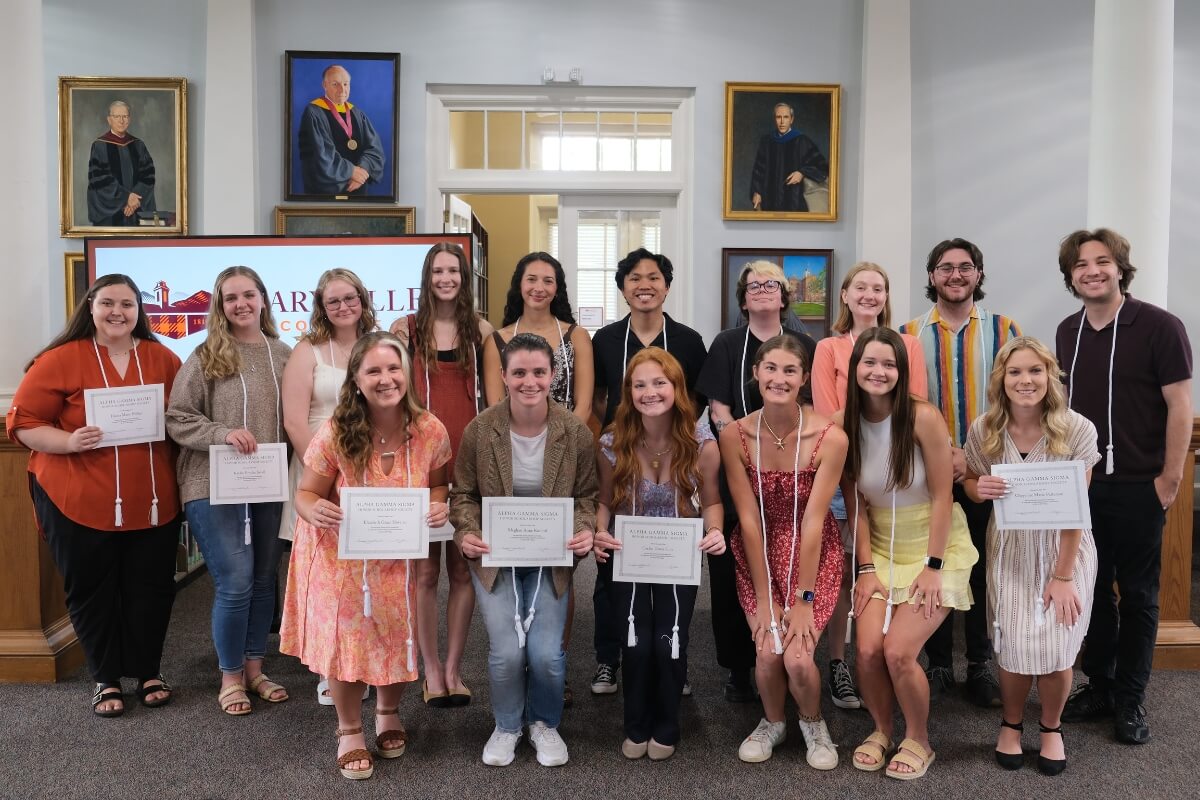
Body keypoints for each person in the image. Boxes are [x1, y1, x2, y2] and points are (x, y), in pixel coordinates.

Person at [6, 274, 181, 717]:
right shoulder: (60, 359)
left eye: (127, 304)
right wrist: (69, 442)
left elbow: (182, 420)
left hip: (152, 497)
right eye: (107, 303)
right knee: (91, 590)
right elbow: (24, 423)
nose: (117, 312)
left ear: (140, 311)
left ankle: (148, 671)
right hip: (76, 495)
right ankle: (105, 678)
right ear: (90, 307)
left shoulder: (164, 359)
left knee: (151, 588)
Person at [280, 332, 452, 780]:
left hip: (399, 555)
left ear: (407, 374)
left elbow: (439, 483)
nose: (385, 378)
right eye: (373, 370)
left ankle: (389, 711)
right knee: (351, 640)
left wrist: (440, 503)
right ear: (356, 379)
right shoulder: (336, 431)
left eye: (393, 368)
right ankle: (350, 728)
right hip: (343, 557)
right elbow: (305, 494)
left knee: (397, 630)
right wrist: (314, 509)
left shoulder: (430, 429)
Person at [1055, 228, 1192, 745]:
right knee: (1092, 590)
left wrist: (1169, 479)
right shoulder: (1068, 331)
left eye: (1102, 261)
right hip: (1084, 485)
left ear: (1120, 268)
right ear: (1070, 276)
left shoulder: (1160, 326)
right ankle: (1102, 685)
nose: (1092, 270)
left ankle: (1131, 699)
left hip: (1140, 485)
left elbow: (1179, 405)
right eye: (1081, 265)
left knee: (1137, 595)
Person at [451, 333, 597, 768]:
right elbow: (463, 495)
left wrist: (584, 529)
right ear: (503, 376)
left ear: (553, 375)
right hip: (497, 558)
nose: (529, 381)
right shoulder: (481, 429)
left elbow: (587, 496)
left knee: (547, 655)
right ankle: (508, 725)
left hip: (552, 558)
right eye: (519, 373)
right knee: (507, 652)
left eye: (538, 372)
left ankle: (544, 724)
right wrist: (467, 534)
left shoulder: (574, 432)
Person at [839, 327, 978, 781]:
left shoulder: (922, 417)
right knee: (866, 652)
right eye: (869, 362)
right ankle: (881, 730)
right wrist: (863, 568)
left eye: (888, 364)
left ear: (901, 371)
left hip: (934, 548)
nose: (878, 372)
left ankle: (918, 738)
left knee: (899, 652)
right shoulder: (846, 424)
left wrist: (933, 569)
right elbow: (856, 504)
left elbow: (943, 496)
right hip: (878, 549)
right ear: (855, 367)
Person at [963, 337, 1100, 776]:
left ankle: (1051, 728)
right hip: (1011, 551)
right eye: (1015, 372)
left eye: (1035, 371)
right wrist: (976, 489)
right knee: (1014, 643)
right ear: (1001, 380)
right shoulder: (984, 428)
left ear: (1050, 377)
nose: (1026, 380)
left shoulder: (1078, 428)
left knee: (1059, 645)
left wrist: (1062, 576)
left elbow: (1076, 511)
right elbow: (969, 478)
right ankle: (1011, 723)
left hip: (1066, 549)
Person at [899, 239, 1022, 707]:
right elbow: (899, 400)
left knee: (981, 566)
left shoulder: (1005, 328)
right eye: (945, 267)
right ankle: (936, 663)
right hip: (924, 468)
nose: (955, 275)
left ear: (978, 274)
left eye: (965, 267)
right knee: (929, 562)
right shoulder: (908, 333)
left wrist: (973, 456)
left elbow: (1020, 394)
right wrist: (944, 452)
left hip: (987, 468)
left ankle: (980, 664)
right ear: (931, 276)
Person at [166, 266, 292, 716]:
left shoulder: (284, 355)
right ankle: (230, 676)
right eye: (230, 297)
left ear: (263, 299)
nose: (240, 304)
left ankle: (256, 669)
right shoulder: (205, 356)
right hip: (212, 483)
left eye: (248, 295)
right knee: (235, 582)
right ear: (219, 306)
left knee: (263, 580)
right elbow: (178, 417)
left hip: (268, 483)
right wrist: (222, 433)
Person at [592, 348, 725, 760]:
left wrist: (716, 530)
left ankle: (667, 724)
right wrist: (598, 532)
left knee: (671, 640)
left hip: (678, 557)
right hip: (627, 554)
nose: (650, 392)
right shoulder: (612, 443)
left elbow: (713, 500)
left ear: (677, 388)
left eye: (659, 383)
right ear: (628, 391)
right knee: (635, 641)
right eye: (640, 384)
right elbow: (604, 500)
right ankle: (636, 724)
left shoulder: (702, 444)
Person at [719, 335, 845, 768]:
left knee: (797, 657)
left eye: (790, 370)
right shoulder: (734, 435)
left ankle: (812, 721)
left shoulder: (830, 437)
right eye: (770, 368)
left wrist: (803, 599)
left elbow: (812, 521)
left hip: (815, 551)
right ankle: (773, 721)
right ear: (756, 373)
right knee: (768, 649)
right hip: (758, 551)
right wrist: (767, 597)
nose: (779, 378)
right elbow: (749, 520)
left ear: (804, 377)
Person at [695, 260, 816, 703]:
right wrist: (748, 449)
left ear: (785, 296)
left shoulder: (807, 344)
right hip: (739, 465)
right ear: (743, 298)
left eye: (772, 284)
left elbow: (815, 407)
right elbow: (718, 408)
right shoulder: (727, 344)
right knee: (733, 567)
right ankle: (738, 667)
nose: (763, 290)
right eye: (754, 285)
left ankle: (789, 648)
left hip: (793, 470)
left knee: (786, 559)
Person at [809, 261, 928, 711]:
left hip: (895, 470)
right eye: (860, 287)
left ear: (886, 296)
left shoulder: (908, 344)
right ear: (844, 294)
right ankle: (841, 662)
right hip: (844, 468)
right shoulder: (827, 348)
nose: (869, 295)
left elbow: (912, 404)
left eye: (878, 288)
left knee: (893, 559)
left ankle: (893, 654)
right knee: (844, 570)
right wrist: (850, 467)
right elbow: (827, 416)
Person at [589, 248, 708, 696]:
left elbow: (692, 401)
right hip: (621, 456)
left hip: (672, 457)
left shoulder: (688, 339)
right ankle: (608, 657)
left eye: (654, 277)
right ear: (623, 288)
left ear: (667, 285)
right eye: (634, 277)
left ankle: (675, 658)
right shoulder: (603, 339)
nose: (644, 284)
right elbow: (599, 399)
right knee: (612, 566)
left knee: (674, 572)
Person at [390, 242, 494, 708]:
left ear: (464, 277)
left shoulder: (483, 332)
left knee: (464, 571)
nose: (446, 278)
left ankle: (454, 668)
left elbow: (495, 405)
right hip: (420, 467)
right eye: (438, 270)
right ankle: (429, 669)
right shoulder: (405, 330)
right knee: (425, 573)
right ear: (427, 276)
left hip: (468, 465)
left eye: (454, 270)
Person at [280, 267, 378, 704]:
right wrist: (326, 475)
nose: (343, 307)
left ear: (362, 299)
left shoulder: (377, 346)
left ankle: (368, 659)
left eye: (350, 298)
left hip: (373, 469)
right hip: (320, 469)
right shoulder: (308, 350)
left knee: (371, 571)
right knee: (325, 575)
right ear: (321, 306)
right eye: (333, 300)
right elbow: (294, 421)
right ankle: (328, 666)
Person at [483, 252, 593, 424]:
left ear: (557, 289)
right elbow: (496, 410)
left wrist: (560, 444)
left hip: (568, 441)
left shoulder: (577, 337)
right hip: (513, 443)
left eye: (548, 281)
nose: (539, 288)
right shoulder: (496, 341)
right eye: (531, 279)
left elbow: (584, 407)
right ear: (519, 285)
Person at [298, 64, 385, 196]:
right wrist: (352, 172)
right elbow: (321, 154)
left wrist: (363, 170)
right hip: (326, 193)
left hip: (358, 190)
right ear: (324, 85)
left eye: (346, 84)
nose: (342, 90)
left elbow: (375, 149)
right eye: (335, 84)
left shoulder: (356, 113)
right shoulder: (313, 112)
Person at [749, 102, 828, 212]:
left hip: (794, 202)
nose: (782, 122)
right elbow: (759, 169)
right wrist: (756, 192)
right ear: (774, 119)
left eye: (786, 117)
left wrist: (802, 173)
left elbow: (823, 166)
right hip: (769, 202)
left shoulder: (802, 141)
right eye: (778, 117)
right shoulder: (766, 142)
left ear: (791, 119)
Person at [86, 100, 156, 226]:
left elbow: (148, 175)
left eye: (125, 116)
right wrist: (126, 198)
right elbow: (99, 179)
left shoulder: (138, 145)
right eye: (117, 116)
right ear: (109, 119)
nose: (121, 120)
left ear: (129, 119)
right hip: (110, 215)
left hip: (137, 210)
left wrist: (134, 199)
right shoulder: (100, 146)